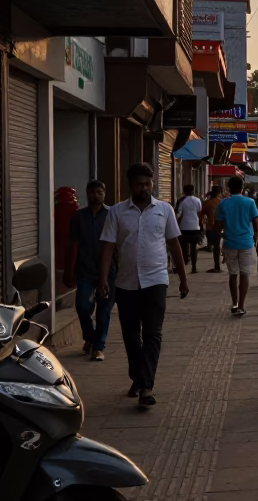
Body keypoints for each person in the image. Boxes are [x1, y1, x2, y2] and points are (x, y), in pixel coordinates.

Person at [99, 163, 188, 408]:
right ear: (131, 185)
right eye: (139, 185)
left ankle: (146, 386)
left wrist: (183, 277)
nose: (144, 188)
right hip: (126, 283)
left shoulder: (164, 209)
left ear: (153, 184)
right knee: (130, 335)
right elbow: (107, 247)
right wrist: (102, 280)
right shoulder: (117, 212)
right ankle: (138, 376)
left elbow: (174, 244)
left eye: (148, 184)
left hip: (156, 280)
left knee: (153, 334)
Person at [63, 180, 113, 362]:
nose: (96, 195)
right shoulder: (79, 217)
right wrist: (68, 269)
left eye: (99, 192)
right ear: (87, 194)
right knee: (83, 306)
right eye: (92, 192)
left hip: (108, 271)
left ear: (104, 193)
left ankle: (98, 347)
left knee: (103, 309)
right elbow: (71, 243)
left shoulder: (111, 215)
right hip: (84, 269)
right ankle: (90, 337)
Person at [216, 176, 258, 317]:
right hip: (246, 243)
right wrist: (256, 237)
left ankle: (234, 303)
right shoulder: (249, 202)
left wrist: (219, 245)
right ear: (242, 187)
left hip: (230, 243)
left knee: (233, 274)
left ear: (228, 188)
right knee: (245, 274)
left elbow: (218, 227)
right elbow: (256, 222)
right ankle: (242, 305)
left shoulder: (222, 204)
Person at [176, 184, 204, 273]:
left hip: (184, 227)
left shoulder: (181, 200)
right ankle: (194, 267)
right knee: (194, 247)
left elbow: (178, 213)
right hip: (195, 226)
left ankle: (184, 263)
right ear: (193, 190)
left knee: (184, 247)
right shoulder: (197, 200)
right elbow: (199, 211)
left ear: (184, 191)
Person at [201, 186, 224, 273]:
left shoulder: (208, 203)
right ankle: (217, 266)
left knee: (216, 246)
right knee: (217, 246)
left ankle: (217, 266)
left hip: (212, 227)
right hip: (221, 227)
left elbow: (202, 213)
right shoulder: (222, 202)